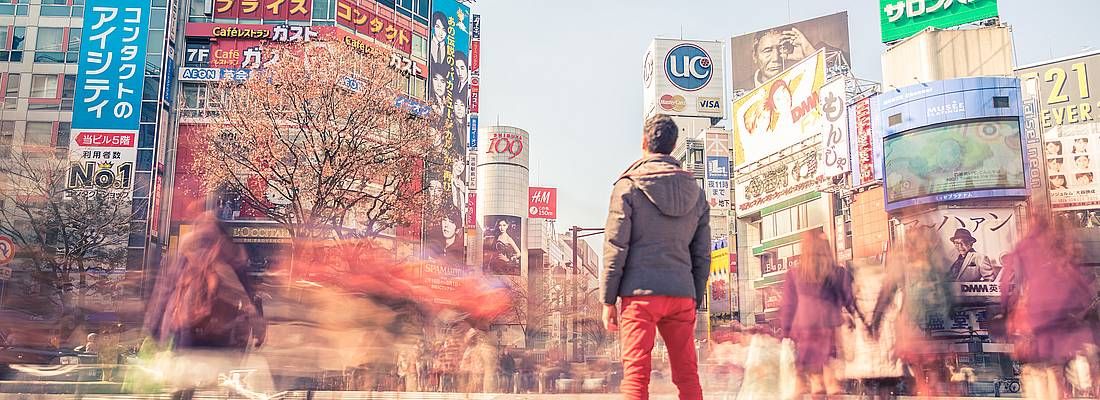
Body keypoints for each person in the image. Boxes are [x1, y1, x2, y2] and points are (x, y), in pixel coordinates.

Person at [601, 115, 709, 400]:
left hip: (640, 295)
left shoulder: (628, 186)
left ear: (644, 143)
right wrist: (694, 296)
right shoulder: (696, 194)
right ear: (673, 146)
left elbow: (615, 245)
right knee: (688, 376)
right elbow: (702, 254)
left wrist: (608, 299)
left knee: (636, 378)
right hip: (681, 293)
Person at [1001, 215, 1097, 400]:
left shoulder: (1023, 248)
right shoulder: (1061, 251)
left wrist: (1005, 310)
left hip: (1032, 326)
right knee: (1053, 372)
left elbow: (1006, 284)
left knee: (1036, 373)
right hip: (1059, 329)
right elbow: (1082, 289)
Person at [870, 225, 956, 397]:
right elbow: (948, 292)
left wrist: (875, 320)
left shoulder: (902, 262)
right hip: (937, 323)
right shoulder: (938, 260)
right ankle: (934, 387)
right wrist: (950, 313)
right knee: (933, 365)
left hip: (912, 324)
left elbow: (886, 292)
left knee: (916, 365)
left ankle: (923, 388)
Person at [778, 230, 859, 397]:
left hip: (805, 330)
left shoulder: (794, 274)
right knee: (832, 380)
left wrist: (786, 333)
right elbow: (850, 301)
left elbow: (788, 306)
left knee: (815, 381)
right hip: (828, 329)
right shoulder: (838, 273)